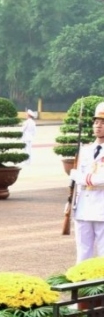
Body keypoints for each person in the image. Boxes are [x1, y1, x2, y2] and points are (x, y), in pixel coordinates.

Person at [71, 103, 104, 262]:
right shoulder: (85, 150)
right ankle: (81, 284)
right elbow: (77, 182)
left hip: (102, 208)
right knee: (83, 252)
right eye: (96, 122)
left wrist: (80, 177)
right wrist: (70, 203)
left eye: (103, 123)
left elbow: (100, 179)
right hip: (83, 207)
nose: (98, 126)